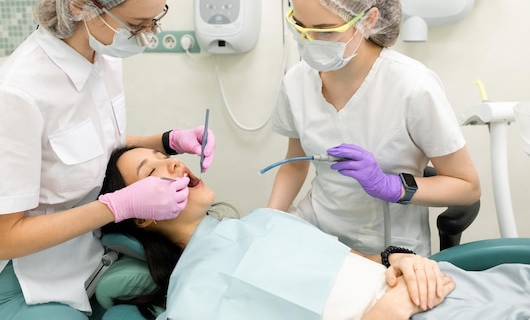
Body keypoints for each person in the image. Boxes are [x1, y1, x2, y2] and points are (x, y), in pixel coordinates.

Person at [0, 0, 215, 320]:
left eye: (156, 18)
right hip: (26, 281)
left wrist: (168, 140)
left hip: (91, 259)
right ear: (81, 5)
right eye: (137, 23)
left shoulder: (104, 56)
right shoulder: (15, 94)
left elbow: (94, 148)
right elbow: (2, 240)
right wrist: (119, 206)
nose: (147, 34)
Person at [100, 146, 530, 320]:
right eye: (151, 170)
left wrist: (404, 261)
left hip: (437, 291)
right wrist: (384, 313)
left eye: (163, 154)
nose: (173, 163)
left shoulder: (264, 221)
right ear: (140, 216)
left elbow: (364, 264)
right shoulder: (193, 299)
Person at [268, 0, 480, 257]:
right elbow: (295, 163)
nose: (310, 40)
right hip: (313, 233)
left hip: (387, 251)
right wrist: (271, 218)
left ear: (368, 19)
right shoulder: (297, 81)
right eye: (300, 26)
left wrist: (393, 186)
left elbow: (467, 187)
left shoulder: (412, 86)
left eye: (325, 31)